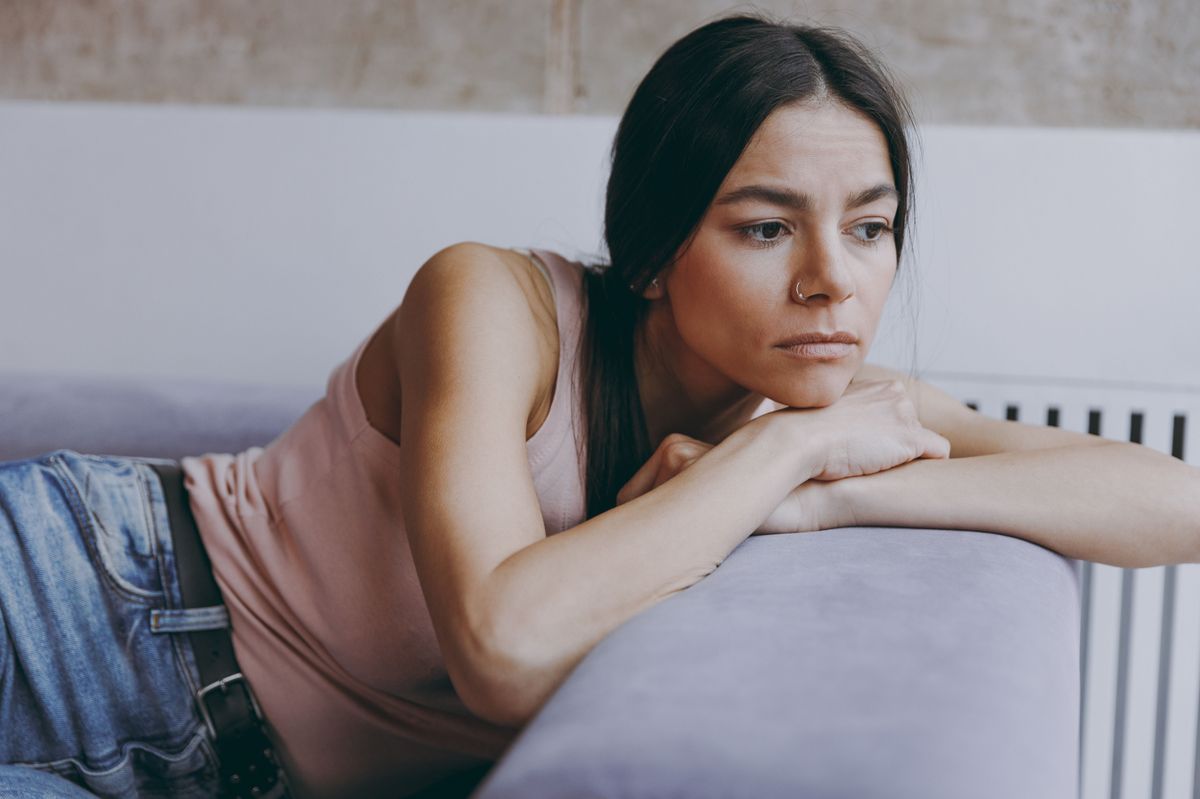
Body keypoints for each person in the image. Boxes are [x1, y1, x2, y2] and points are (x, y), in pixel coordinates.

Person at [3, 11, 1199, 799]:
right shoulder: (492, 300)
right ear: (654, 251)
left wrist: (817, 493)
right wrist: (786, 454)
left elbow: (1176, 503)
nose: (834, 279)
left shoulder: (820, 409)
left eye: (872, 227)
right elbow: (504, 647)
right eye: (767, 227)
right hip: (78, 602)